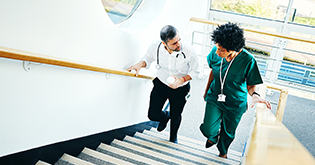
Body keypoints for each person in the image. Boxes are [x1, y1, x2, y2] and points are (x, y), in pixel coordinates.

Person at [199, 22, 271, 158]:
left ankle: (223, 152)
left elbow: (251, 85)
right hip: (215, 96)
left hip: (235, 103)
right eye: (217, 47)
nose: (217, 52)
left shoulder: (248, 60)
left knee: (228, 132)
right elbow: (213, 72)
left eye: (221, 50)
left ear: (233, 49)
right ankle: (213, 137)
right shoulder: (215, 54)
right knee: (208, 128)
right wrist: (206, 90)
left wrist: (255, 95)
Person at [127, 25, 200, 143]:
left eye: (179, 40)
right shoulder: (156, 46)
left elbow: (196, 71)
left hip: (180, 88)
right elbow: (148, 59)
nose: (179, 44)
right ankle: (165, 116)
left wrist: (181, 80)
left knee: (176, 116)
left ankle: (173, 137)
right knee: (152, 115)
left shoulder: (189, 51)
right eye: (174, 43)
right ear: (164, 43)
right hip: (161, 84)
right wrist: (140, 65)